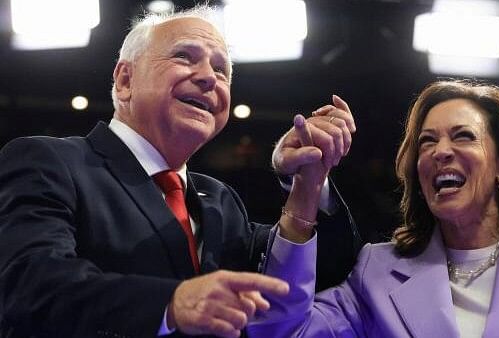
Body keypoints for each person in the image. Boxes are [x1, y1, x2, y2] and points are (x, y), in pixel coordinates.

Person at [0, 5, 361, 338]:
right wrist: (170, 303)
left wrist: (308, 182)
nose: (209, 78)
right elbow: (29, 285)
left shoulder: (219, 199)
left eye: (221, 69)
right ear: (125, 80)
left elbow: (322, 274)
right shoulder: (49, 162)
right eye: (184, 56)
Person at [247, 80, 499, 337]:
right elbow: (283, 334)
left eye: (463, 136)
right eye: (426, 142)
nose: (439, 151)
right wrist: (306, 187)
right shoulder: (379, 272)